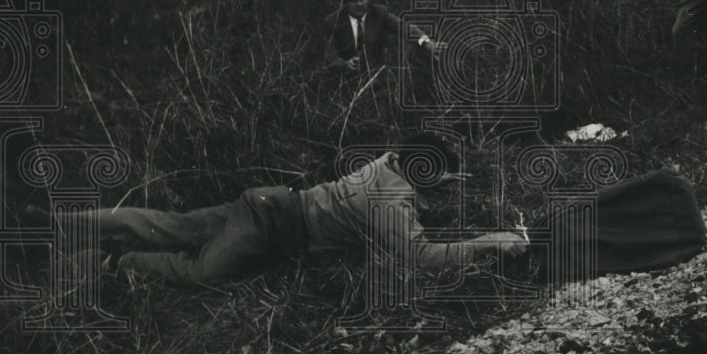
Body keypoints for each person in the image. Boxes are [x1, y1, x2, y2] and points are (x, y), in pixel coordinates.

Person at [36, 134, 528, 287]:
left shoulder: (388, 163)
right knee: (199, 271)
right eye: (440, 179)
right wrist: (493, 242)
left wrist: (432, 180)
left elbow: (410, 172)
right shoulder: (390, 201)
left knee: (167, 224)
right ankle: (118, 263)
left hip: (266, 199)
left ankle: (56, 226)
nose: (444, 188)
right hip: (271, 229)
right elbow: (422, 259)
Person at [324, 0, 444, 72]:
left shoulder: (379, 14)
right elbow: (330, 56)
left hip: (378, 80)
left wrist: (427, 43)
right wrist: (345, 65)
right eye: (354, 0)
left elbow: (406, 29)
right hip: (344, 84)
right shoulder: (333, 22)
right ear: (345, 3)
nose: (359, 4)